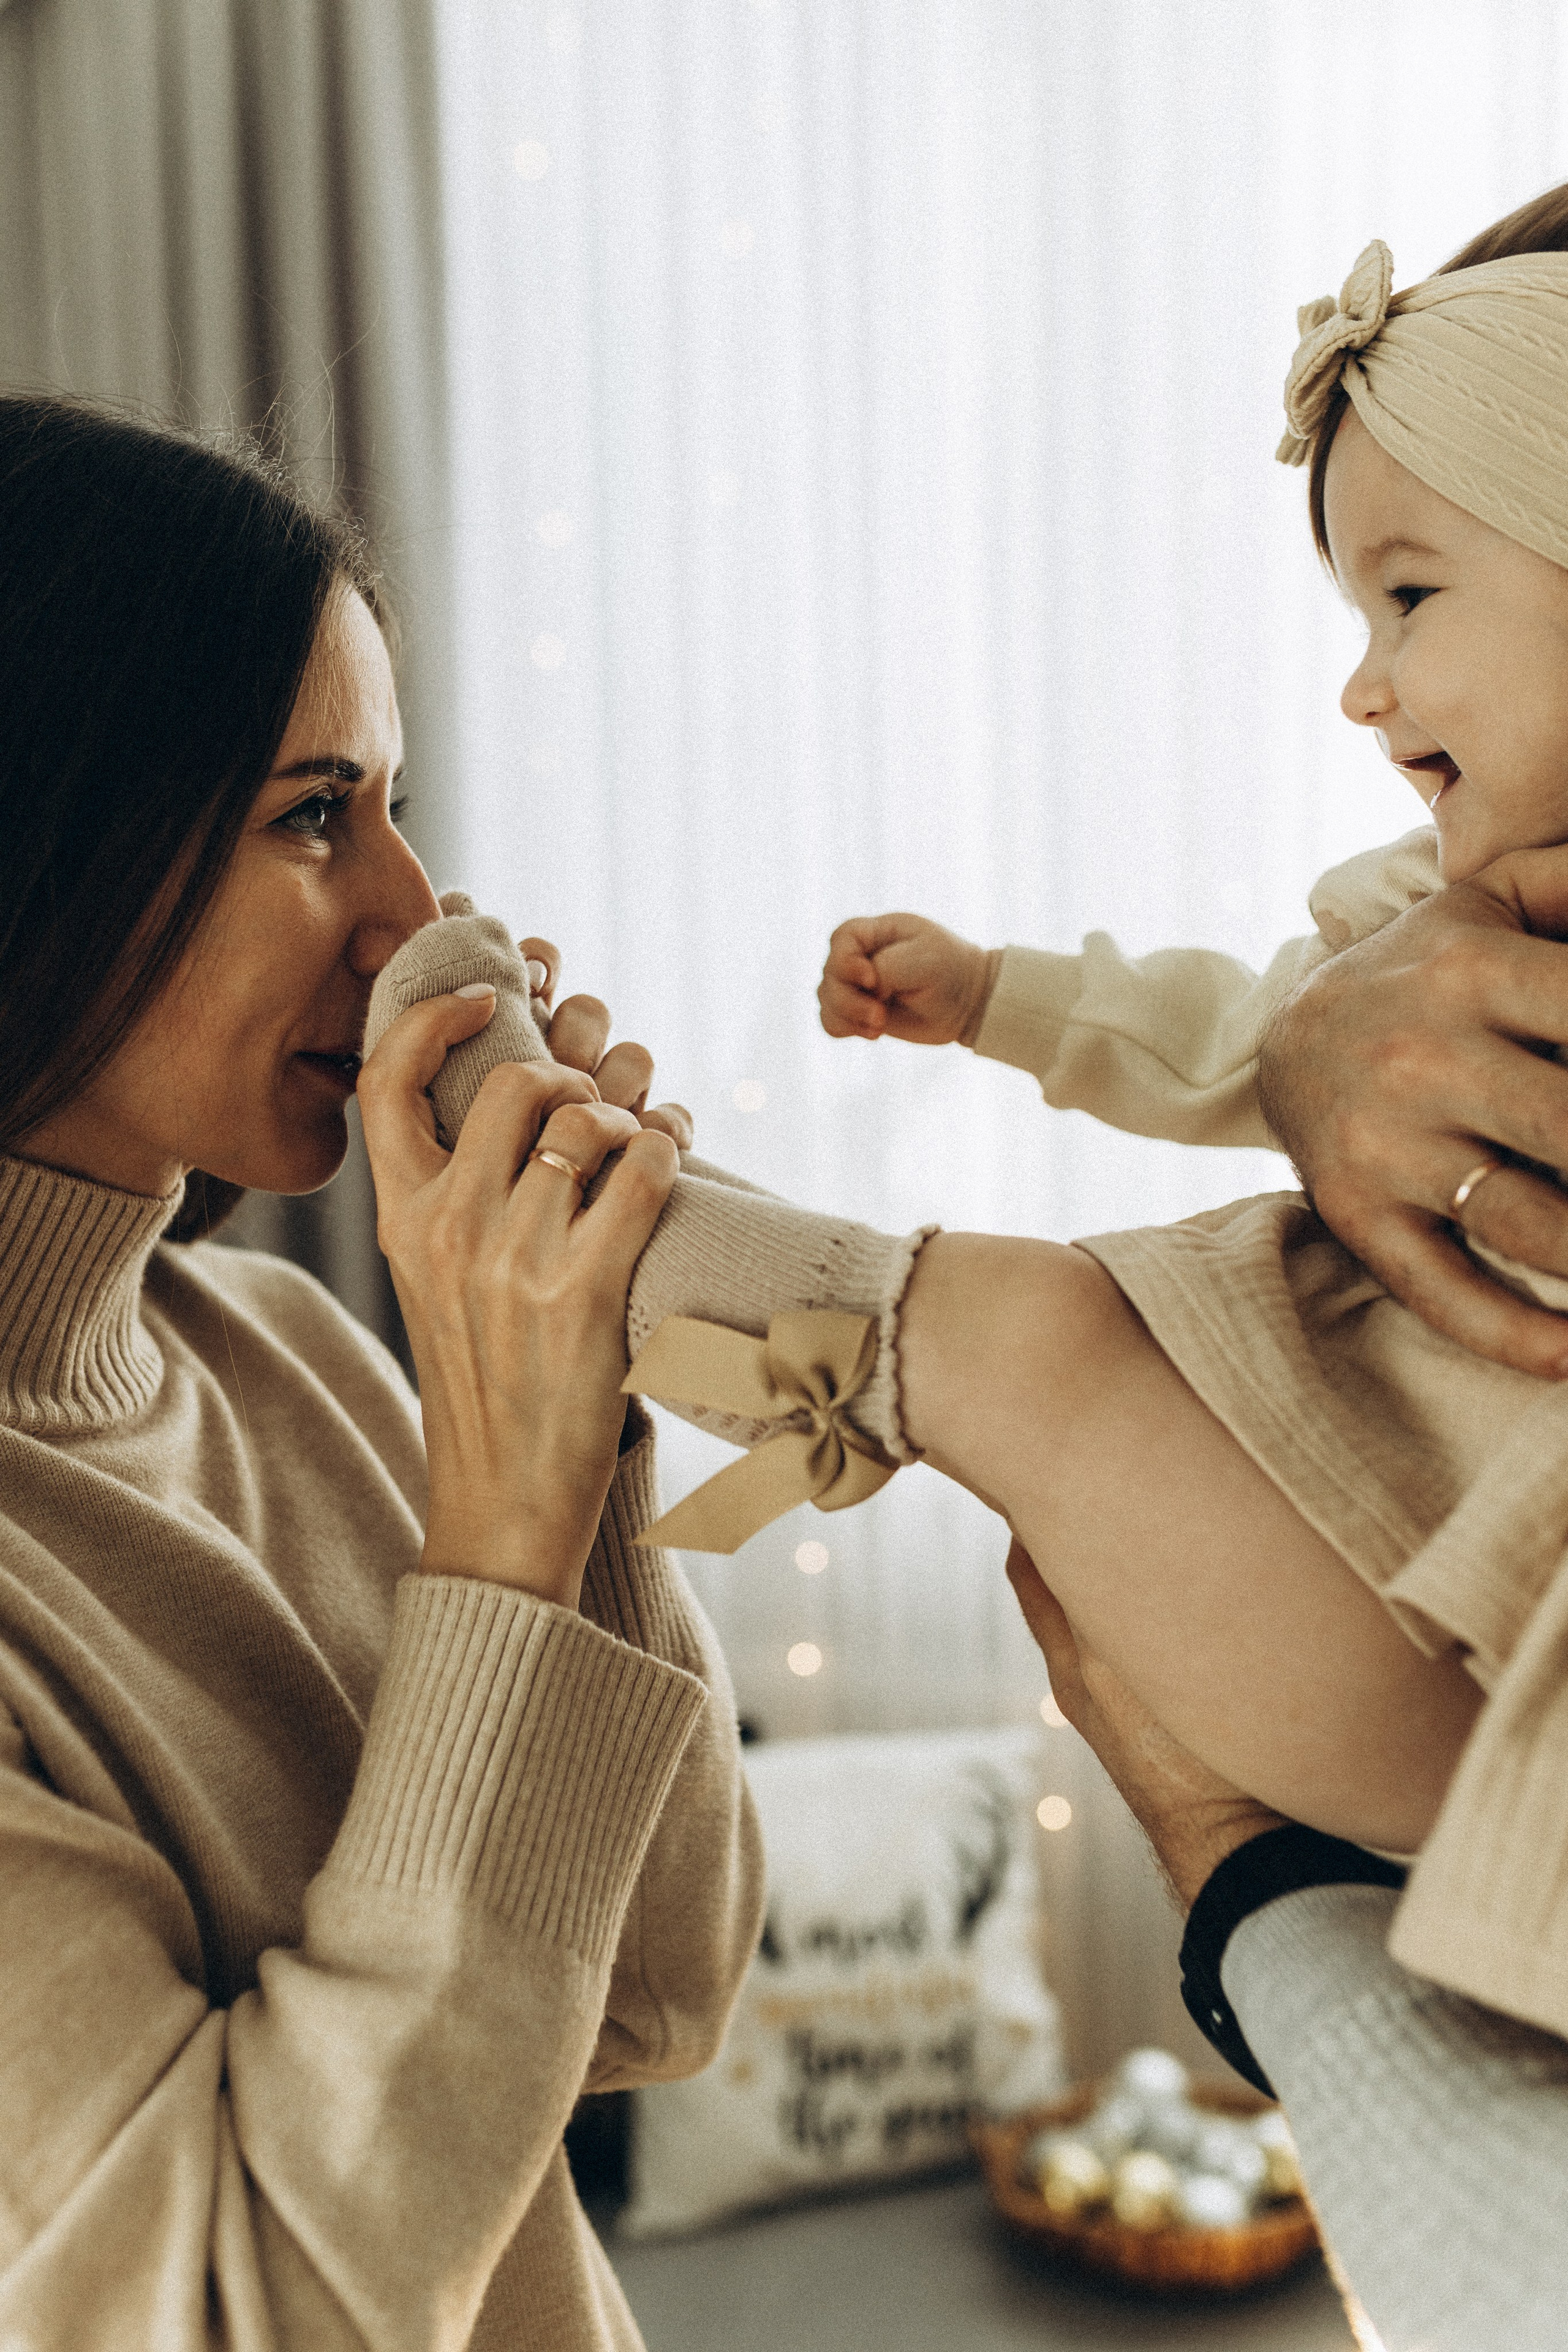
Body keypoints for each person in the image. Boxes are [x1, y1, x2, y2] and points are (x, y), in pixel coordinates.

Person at [0, 393, 763, 2351]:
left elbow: (661, 1991)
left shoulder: (293, 1362)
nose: (422, 915)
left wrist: (566, 1430)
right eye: (313, 814)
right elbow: (255, 2311)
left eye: (395, 804)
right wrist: (496, 1526)